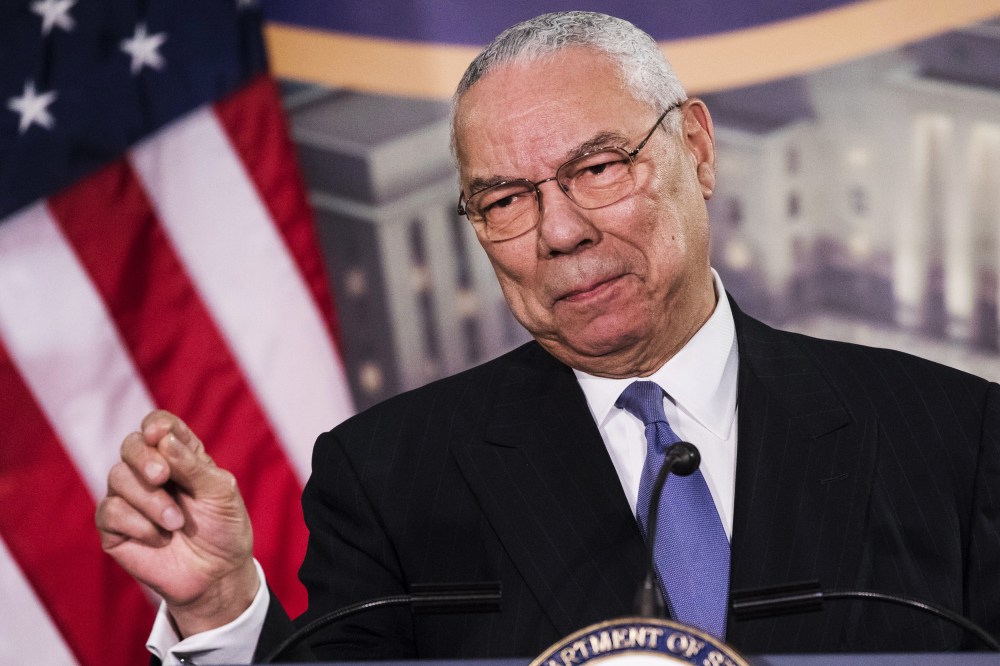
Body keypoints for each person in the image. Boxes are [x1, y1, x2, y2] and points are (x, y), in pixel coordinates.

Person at [96, 11, 1000, 664]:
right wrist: (220, 606)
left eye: (597, 168)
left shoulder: (951, 437)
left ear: (698, 149)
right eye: (503, 201)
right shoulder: (391, 477)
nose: (559, 232)